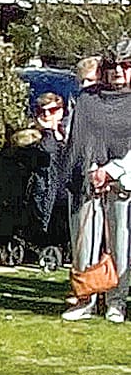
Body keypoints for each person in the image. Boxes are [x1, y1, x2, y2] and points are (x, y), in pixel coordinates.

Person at [62, 38, 131, 322]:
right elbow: (79, 140)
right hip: (88, 181)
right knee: (84, 243)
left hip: (123, 183)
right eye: (112, 65)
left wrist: (113, 171)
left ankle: (116, 301)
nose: (117, 71)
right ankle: (84, 299)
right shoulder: (89, 100)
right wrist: (91, 170)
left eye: (124, 65)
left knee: (121, 244)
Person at [25, 91, 71, 266]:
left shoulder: (67, 134)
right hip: (44, 190)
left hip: (64, 190)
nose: (46, 115)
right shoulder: (35, 136)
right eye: (41, 111)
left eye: (51, 111)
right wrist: (48, 131)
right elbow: (46, 150)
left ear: (60, 112)